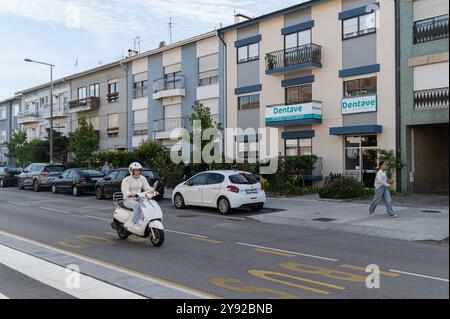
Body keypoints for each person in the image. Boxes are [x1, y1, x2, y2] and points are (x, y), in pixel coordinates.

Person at [121, 162, 153, 230]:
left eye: (139, 170)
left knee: (148, 203)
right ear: (131, 170)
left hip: (139, 198)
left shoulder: (142, 178)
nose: (138, 172)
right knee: (137, 205)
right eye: (136, 170)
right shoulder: (126, 180)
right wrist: (129, 194)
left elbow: (147, 187)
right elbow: (125, 190)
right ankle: (133, 223)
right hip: (128, 199)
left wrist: (153, 191)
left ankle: (146, 220)